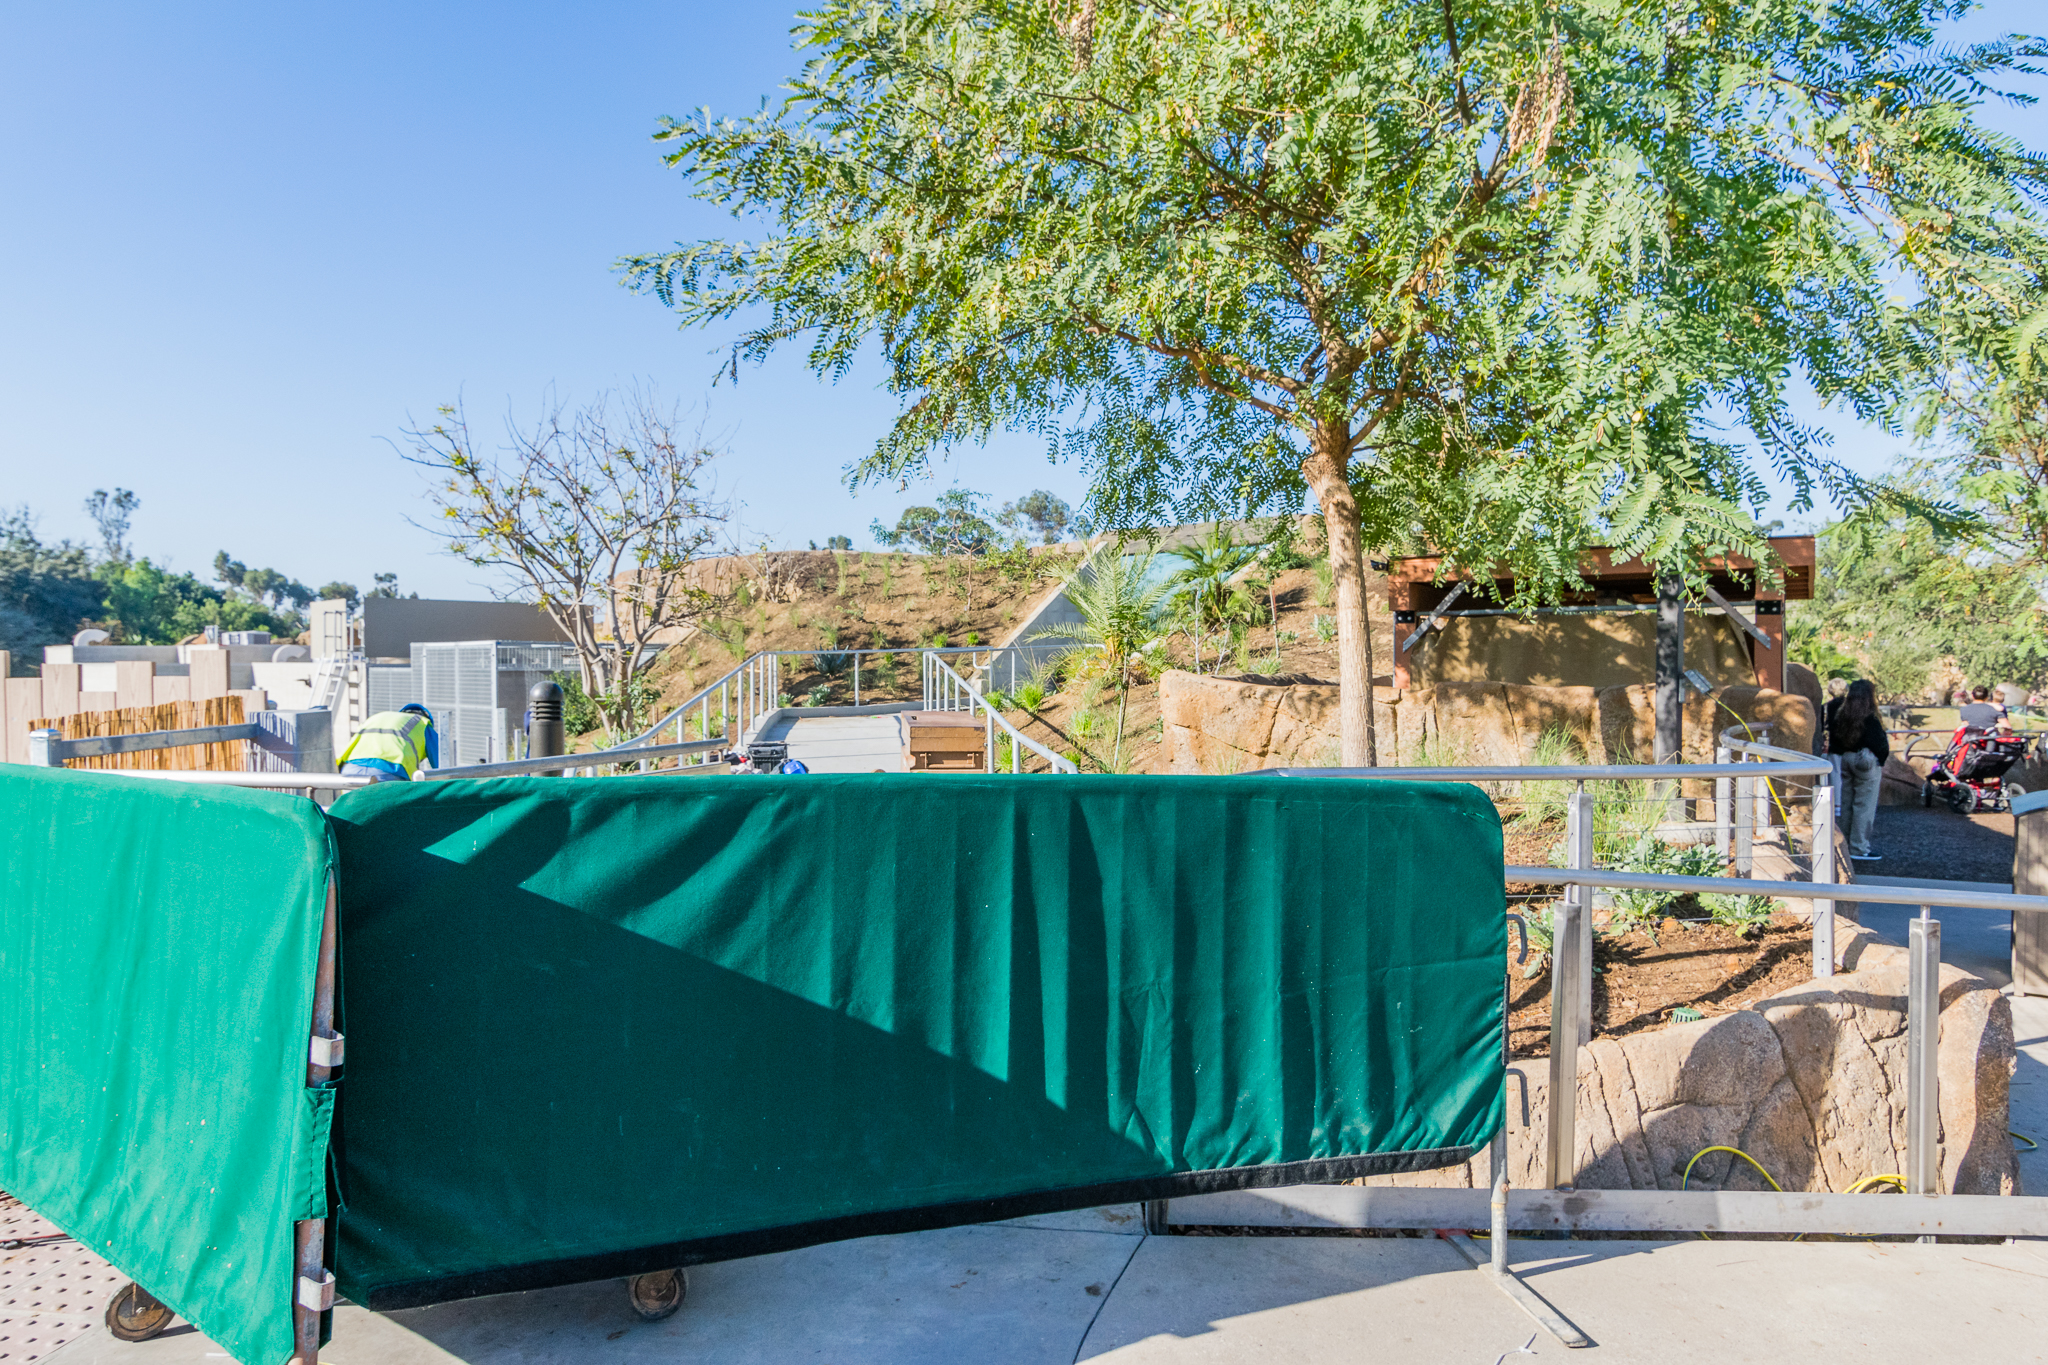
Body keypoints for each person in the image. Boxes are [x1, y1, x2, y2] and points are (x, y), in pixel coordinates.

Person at [1829, 679, 1888, 863]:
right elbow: (1879, 743)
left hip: (1845, 759)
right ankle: (1859, 848)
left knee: (1846, 803)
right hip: (1866, 761)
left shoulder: (1841, 714)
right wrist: (1881, 758)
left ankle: (1844, 844)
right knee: (1864, 806)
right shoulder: (1870, 717)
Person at [337, 703, 439, 782]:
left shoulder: (378, 717)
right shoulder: (423, 723)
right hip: (388, 772)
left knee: (353, 809)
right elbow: (441, 765)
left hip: (350, 770)